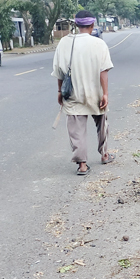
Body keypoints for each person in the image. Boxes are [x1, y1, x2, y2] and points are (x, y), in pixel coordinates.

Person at [52, 10, 115, 175]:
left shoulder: (64, 43)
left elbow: (60, 71)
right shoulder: (99, 44)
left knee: (76, 129)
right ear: (92, 25)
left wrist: (60, 91)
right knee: (102, 123)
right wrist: (105, 94)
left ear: (76, 25)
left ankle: (82, 165)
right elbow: (104, 71)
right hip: (95, 93)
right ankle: (105, 154)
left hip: (73, 94)